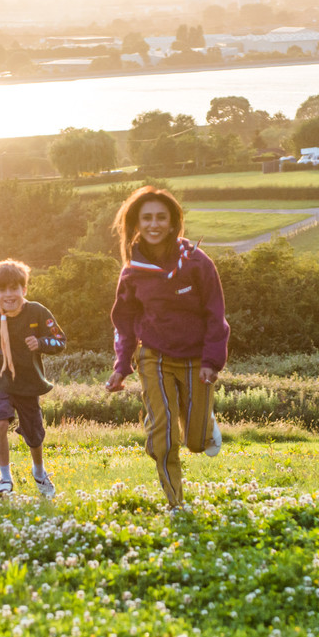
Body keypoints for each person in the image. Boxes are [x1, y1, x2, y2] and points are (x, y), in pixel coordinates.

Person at [104, 185, 230, 508]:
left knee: (197, 443)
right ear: (136, 223)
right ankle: (176, 504)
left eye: (161, 217)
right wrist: (121, 367)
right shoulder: (132, 271)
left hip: (196, 357)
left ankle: (204, 427)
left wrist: (212, 361)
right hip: (153, 356)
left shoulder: (197, 263)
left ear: (174, 223)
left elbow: (215, 314)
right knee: (163, 434)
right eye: (147, 218)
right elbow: (124, 322)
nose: (154, 224)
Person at [0, 258, 66, 498]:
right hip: (0, 380)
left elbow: (60, 340)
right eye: (2, 290)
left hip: (29, 382)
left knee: (34, 432)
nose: (8, 294)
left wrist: (40, 343)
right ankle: (4, 477)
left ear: (24, 290)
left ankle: (39, 471)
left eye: (14, 288)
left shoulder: (37, 312)